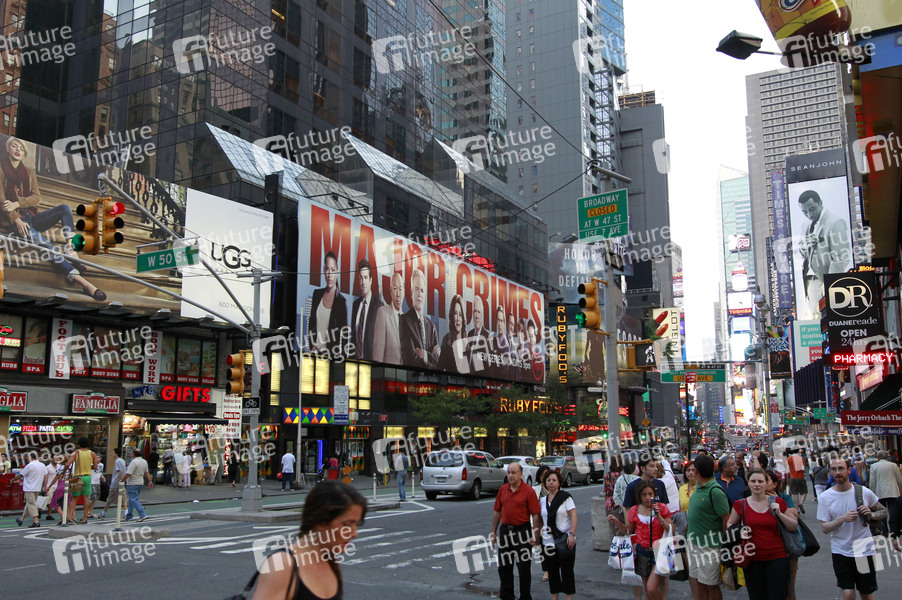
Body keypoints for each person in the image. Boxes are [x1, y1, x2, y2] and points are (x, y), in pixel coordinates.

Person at [0, 137, 107, 301]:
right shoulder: (1, 170)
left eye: (21, 149)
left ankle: (70, 248)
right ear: (8, 149)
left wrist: (16, 203)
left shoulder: (29, 172)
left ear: (24, 153)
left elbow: (36, 198)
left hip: (30, 217)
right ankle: (83, 283)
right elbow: (2, 201)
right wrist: (17, 220)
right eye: (14, 146)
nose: (17, 150)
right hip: (14, 223)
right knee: (47, 246)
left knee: (64, 208)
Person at [252, 480, 366, 600]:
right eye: (347, 525)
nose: (354, 534)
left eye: (356, 524)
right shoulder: (282, 565)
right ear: (320, 521)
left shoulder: (328, 560)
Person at [818, 457, 887, 600]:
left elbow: (884, 512)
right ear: (830, 473)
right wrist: (842, 519)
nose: (838, 472)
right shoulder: (825, 497)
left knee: (866, 592)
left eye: (841, 468)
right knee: (848, 593)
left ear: (849, 471)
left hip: (864, 550)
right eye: (834, 469)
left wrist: (871, 514)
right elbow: (824, 528)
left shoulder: (863, 492)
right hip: (840, 551)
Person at [727, 469, 797, 600]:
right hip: (752, 559)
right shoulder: (740, 504)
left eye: (760, 481)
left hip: (777, 558)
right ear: (748, 483)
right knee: (757, 596)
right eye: (753, 481)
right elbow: (730, 523)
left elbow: (793, 525)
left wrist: (779, 514)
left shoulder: (778, 502)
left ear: (766, 483)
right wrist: (739, 531)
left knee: (777, 596)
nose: (757, 484)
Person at [608, 480, 673, 600]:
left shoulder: (661, 508)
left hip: (660, 551)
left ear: (654, 494)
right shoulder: (635, 510)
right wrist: (616, 522)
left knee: (651, 588)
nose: (648, 498)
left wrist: (659, 517)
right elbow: (628, 531)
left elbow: (671, 530)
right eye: (644, 495)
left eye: (650, 494)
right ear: (639, 496)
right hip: (642, 552)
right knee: (648, 592)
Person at [796, 189, 853, 318]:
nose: (809, 214)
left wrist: (830, 285)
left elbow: (841, 258)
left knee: (830, 319)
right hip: (810, 281)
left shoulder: (835, 222)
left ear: (820, 203)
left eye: (812, 209)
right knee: (817, 319)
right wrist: (805, 246)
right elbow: (801, 252)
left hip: (826, 281)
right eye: (805, 212)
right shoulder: (805, 225)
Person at [490, 461, 541, 600]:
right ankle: (507, 595)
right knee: (504, 566)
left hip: (522, 531)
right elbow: (497, 512)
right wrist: (494, 532)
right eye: (508, 473)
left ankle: (525, 596)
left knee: (523, 567)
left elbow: (535, 515)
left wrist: (535, 535)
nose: (510, 475)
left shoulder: (528, 491)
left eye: (513, 473)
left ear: (521, 474)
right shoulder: (503, 490)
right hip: (505, 531)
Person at [687, 454, 731, 600]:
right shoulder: (698, 487)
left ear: (697, 471)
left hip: (710, 546)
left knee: (711, 584)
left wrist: (725, 545)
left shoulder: (715, 491)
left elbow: (726, 518)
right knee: (699, 581)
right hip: (693, 543)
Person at [764, 470, 801, 600]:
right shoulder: (758, 500)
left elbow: (794, 514)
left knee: (789, 589)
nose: (762, 484)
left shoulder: (784, 498)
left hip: (789, 546)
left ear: (775, 484)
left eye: (766, 480)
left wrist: (777, 504)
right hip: (769, 549)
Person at [540, 471, 577, 600]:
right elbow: (540, 520)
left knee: (567, 573)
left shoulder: (566, 498)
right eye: (548, 480)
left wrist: (572, 534)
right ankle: (554, 597)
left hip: (564, 540)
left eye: (554, 480)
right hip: (548, 542)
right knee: (552, 573)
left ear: (559, 482)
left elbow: (573, 516)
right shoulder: (542, 500)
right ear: (545, 483)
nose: (551, 483)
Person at [307, 250, 349, 357]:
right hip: (315, 354)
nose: (329, 274)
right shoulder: (317, 294)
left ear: (337, 272)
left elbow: (345, 336)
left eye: (333, 270)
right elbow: (311, 324)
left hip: (331, 357)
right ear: (323, 270)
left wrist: (341, 359)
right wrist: (312, 344)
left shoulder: (341, 302)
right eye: (327, 269)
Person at [52, 437, 99, 524]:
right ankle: (84, 518)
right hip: (88, 477)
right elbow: (95, 467)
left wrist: (63, 473)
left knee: (74, 498)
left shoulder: (76, 453)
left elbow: (67, 464)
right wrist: (89, 467)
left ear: (79, 444)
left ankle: (70, 517)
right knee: (86, 498)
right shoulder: (92, 454)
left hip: (78, 477)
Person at [399, 268, 439, 368]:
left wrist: (424, 355)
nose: (419, 294)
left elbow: (438, 362)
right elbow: (411, 359)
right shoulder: (404, 320)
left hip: (431, 377)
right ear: (411, 293)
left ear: (425, 295)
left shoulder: (431, 327)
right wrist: (431, 359)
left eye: (422, 290)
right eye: (416, 289)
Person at [350, 258, 382, 360]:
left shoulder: (379, 307)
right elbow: (353, 337)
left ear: (370, 280)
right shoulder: (355, 305)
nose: (363, 282)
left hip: (371, 361)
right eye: (360, 278)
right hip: (354, 361)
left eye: (365, 277)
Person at [372, 272, 404, 364]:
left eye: (400, 289)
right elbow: (378, 354)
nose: (398, 294)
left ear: (404, 292)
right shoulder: (383, 313)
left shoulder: (407, 320)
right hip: (387, 371)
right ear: (390, 290)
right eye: (395, 289)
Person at [867, 450, 902, 533]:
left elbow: (872, 481)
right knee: (893, 510)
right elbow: (899, 479)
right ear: (887, 457)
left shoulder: (874, 466)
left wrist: (872, 493)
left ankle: (885, 529)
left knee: (882, 511)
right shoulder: (893, 465)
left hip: (880, 492)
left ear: (878, 457)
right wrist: (900, 490)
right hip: (893, 491)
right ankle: (893, 528)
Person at [14, 452, 48, 528]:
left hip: (29, 488)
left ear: (31, 457)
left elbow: (21, 475)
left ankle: (36, 521)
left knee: (31, 504)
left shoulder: (29, 466)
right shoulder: (42, 465)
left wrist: (13, 480)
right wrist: (44, 485)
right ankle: (21, 519)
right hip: (37, 487)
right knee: (30, 503)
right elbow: (46, 475)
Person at [438, 293, 468, 373]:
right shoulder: (446, 340)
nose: (458, 319)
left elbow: (477, 370)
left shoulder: (470, 340)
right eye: (455, 313)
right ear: (451, 316)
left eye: (460, 314)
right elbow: (439, 369)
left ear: (463, 317)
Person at [124, 447, 153, 522]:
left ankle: (142, 514)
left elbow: (129, 473)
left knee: (133, 499)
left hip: (132, 482)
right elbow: (147, 472)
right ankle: (129, 515)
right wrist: (150, 481)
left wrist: (122, 480)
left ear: (134, 454)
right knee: (132, 499)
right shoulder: (144, 461)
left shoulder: (133, 462)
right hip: (140, 482)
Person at [466, 296, 491, 375]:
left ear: (482, 315)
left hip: (481, 377)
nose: (476, 316)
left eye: (479, 312)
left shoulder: (487, 337)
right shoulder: (469, 334)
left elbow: (489, 365)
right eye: (474, 311)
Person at [100, 447, 126, 519]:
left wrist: (119, 480)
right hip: (121, 482)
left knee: (110, 498)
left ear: (116, 454)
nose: (112, 454)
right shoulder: (122, 460)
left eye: (113, 452)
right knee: (123, 498)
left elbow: (120, 471)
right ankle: (126, 512)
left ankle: (104, 512)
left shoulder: (117, 461)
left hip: (115, 483)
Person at [491, 304, 511, 379]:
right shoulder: (493, 340)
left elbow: (503, 372)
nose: (499, 324)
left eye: (501, 321)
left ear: (504, 323)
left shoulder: (506, 346)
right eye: (498, 320)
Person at [787, 449, 809, 513]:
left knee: (795, 494)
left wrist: (788, 479)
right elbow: (804, 469)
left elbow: (788, 470)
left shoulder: (789, 459)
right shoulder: (801, 458)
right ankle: (801, 503)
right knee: (804, 492)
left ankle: (797, 509)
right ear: (798, 451)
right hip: (800, 477)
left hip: (792, 477)